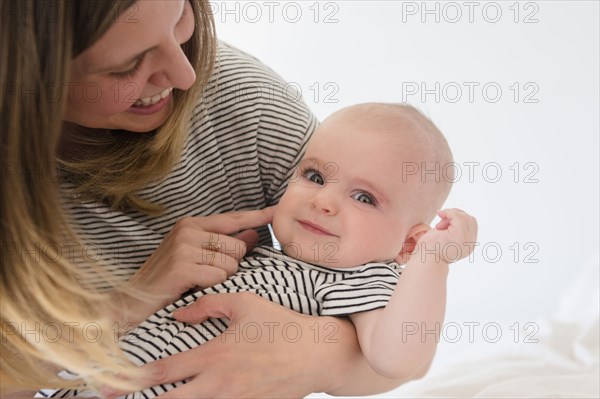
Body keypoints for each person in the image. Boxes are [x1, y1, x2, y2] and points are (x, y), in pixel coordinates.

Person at [1, 1, 434, 398]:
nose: (185, 74)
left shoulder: (244, 102)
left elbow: (403, 340)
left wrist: (316, 358)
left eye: (179, 19)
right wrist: (129, 303)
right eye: (126, 65)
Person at [48, 103, 477, 398]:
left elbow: (397, 358)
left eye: (364, 198)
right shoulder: (256, 251)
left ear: (407, 243)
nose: (323, 201)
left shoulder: (360, 280)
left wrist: (433, 261)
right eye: (313, 175)